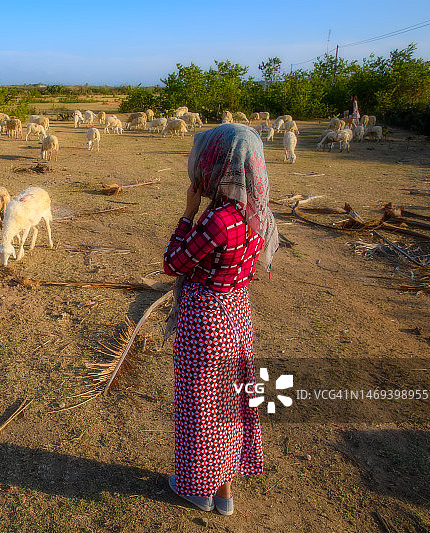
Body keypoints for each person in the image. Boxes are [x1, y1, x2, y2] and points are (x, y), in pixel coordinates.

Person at [162, 123, 278, 516]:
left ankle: (197, 488)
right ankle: (224, 493)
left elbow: (172, 262)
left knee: (200, 405)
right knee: (228, 403)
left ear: (217, 164)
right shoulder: (255, 214)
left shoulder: (218, 220)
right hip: (237, 313)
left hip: (206, 321)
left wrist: (187, 214)